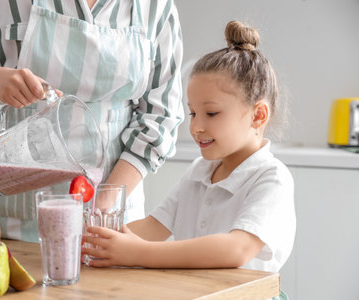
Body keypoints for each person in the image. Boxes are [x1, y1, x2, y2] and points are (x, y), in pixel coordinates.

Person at [0, 0, 183, 242]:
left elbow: (161, 116)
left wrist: (106, 202)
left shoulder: (155, 7)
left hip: (109, 225)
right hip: (10, 225)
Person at [82, 20, 296, 279]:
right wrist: (97, 242)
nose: (196, 127)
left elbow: (236, 249)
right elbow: (154, 226)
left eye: (212, 113)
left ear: (258, 115)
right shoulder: (200, 171)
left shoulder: (272, 178)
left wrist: (139, 253)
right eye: (193, 113)